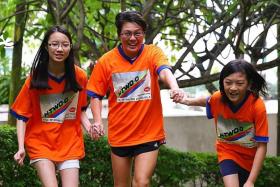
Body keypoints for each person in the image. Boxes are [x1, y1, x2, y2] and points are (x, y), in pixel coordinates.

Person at [86, 11, 184, 187]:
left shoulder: (152, 53)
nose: (132, 38)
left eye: (137, 33)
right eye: (127, 33)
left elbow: (164, 70)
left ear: (143, 34)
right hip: (120, 134)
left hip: (148, 133)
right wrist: (98, 121)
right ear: (119, 35)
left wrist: (174, 87)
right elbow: (95, 95)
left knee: (141, 182)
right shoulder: (106, 62)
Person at [10, 25, 95, 187]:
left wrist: (90, 127)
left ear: (70, 47)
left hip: (70, 144)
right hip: (40, 143)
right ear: (46, 47)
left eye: (65, 44)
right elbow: (22, 116)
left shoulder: (80, 76)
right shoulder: (35, 78)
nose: (59, 49)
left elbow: (81, 110)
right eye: (54, 44)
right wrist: (21, 147)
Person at [174, 59, 269, 187]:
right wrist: (187, 101)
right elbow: (207, 101)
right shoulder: (218, 98)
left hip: (249, 159)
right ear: (222, 82)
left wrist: (251, 181)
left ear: (249, 84)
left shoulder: (257, 106)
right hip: (227, 152)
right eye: (228, 83)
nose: (233, 88)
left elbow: (262, 145)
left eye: (240, 83)